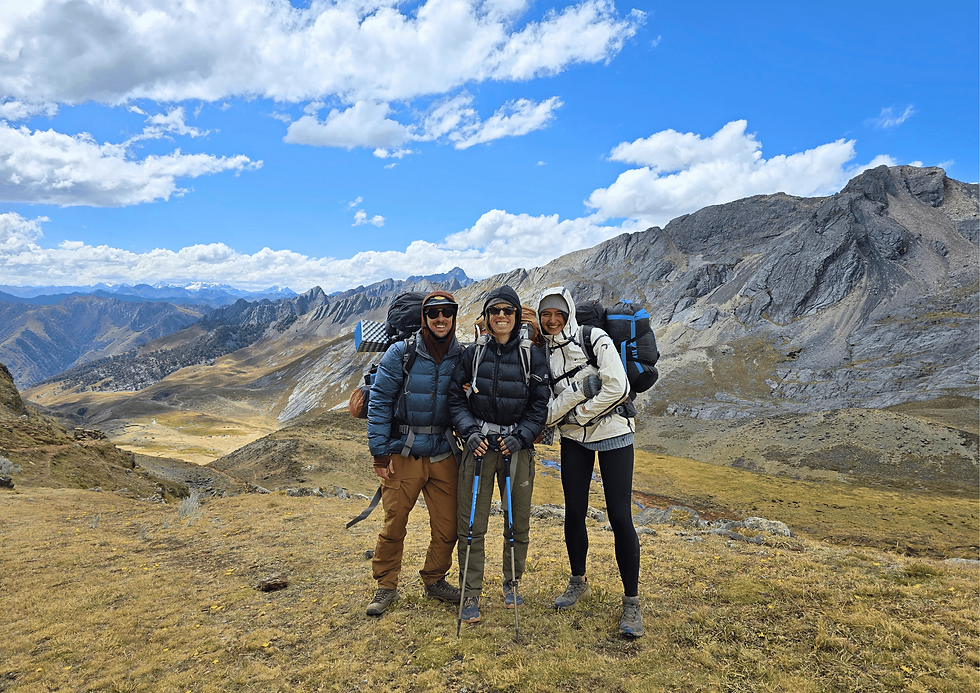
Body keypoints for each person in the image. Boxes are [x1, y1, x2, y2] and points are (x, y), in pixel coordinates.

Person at [536, 286, 644, 638]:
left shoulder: (594, 338)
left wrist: (580, 414)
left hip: (614, 433)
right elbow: (546, 413)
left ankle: (631, 602)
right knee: (574, 512)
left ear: (569, 313)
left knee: (620, 517)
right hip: (573, 440)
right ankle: (577, 581)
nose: (553, 320)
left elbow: (618, 387)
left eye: (559, 313)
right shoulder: (542, 353)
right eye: (546, 314)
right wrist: (579, 393)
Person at [449, 285, 550, 624]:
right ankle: (470, 592)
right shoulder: (473, 354)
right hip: (478, 448)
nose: (502, 316)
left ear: (517, 315)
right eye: (495, 311)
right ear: (487, 317)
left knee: (516, 521)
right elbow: (455, 398)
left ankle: (512, 583)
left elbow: (540, 404)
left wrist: (521, 437)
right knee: (471, 524)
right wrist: (470, 432)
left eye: (508, 310)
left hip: (516, 449)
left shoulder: (531, 355)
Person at [365, 291, 464, 616]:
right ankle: (386, 586)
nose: (440, 318)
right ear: (424, 317)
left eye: (447, 312)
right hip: (403, 454)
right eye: (433, 312)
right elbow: (380, 401)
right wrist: (380, 453)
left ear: (453, 316)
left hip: (443, 453)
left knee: (449, 527)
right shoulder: (401, 352)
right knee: (394, 525)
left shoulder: (461, 354)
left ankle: (434, 579)